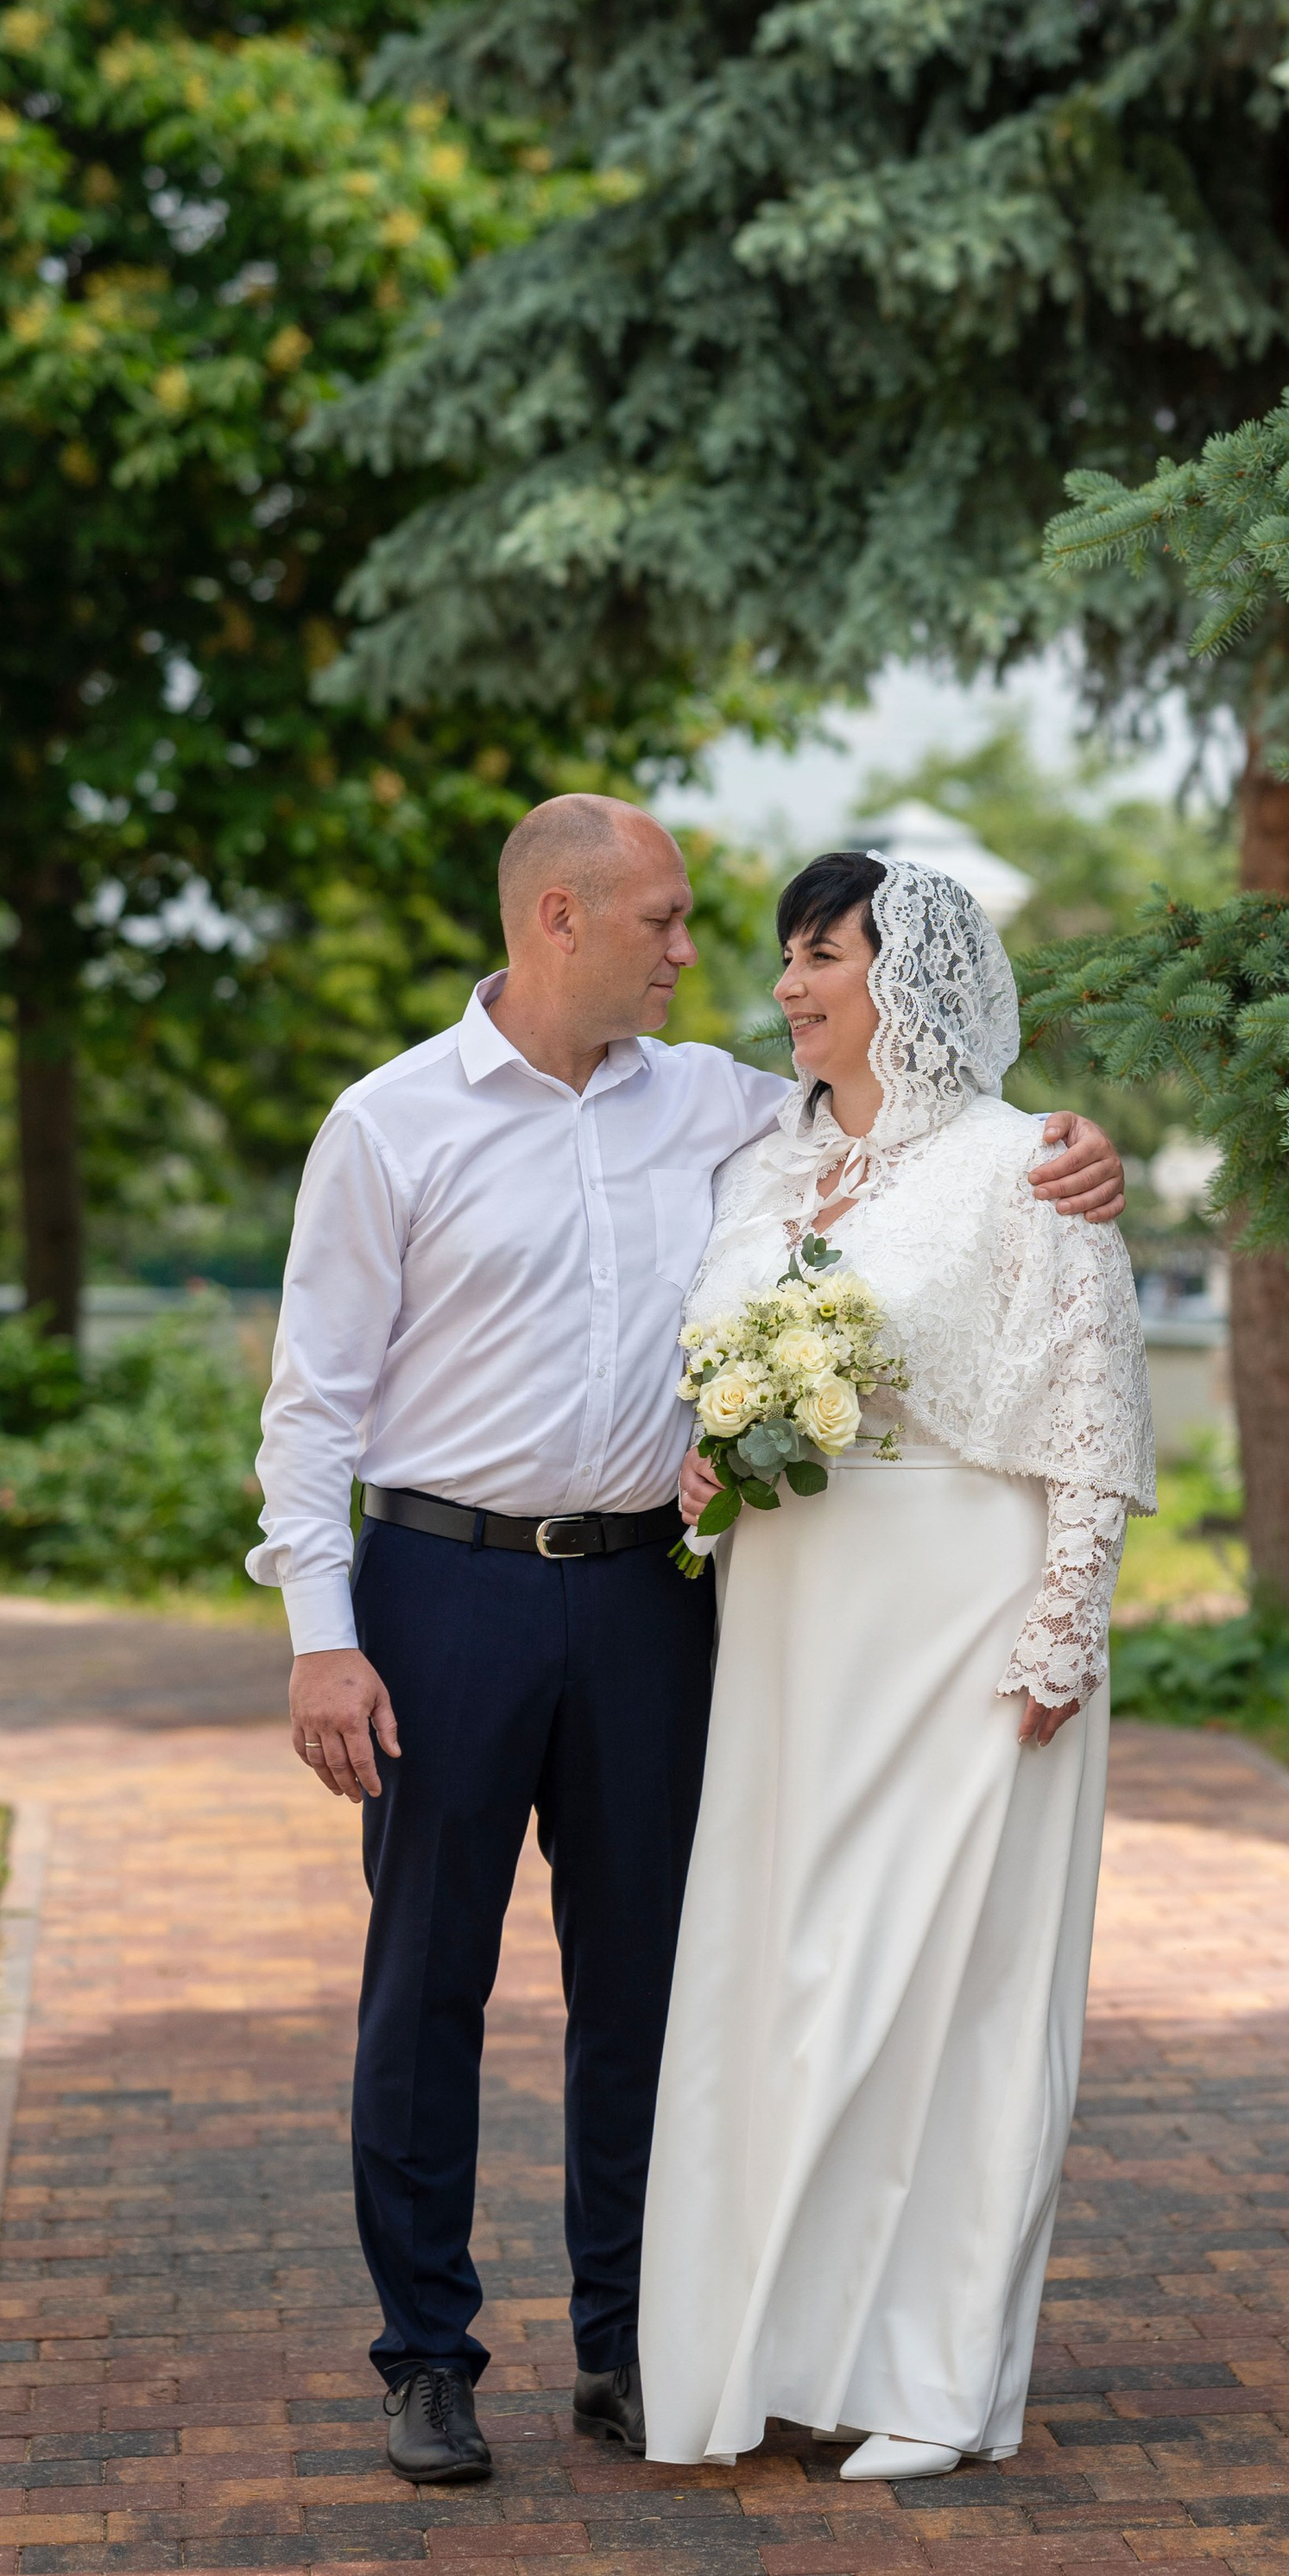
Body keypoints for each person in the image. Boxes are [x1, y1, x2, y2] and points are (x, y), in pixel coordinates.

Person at [244, 795, 1127, 2489]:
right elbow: (312, 1401)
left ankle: (629, 2346)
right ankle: (426, 2355)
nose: (689, 952)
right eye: (659, 920)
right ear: (557, 919)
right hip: (442, 1587)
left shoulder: (724, 1105)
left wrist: (1085, 1151)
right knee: (426, 1980)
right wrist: (319, 1633)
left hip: (654, 1592)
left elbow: (920, 1123)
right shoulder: (388, 1123)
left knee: (651, 1982)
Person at [640, 851, 1156, 2478]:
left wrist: (1064, 1622)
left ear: (906, 977)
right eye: (786, 958)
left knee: (953, 1985)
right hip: (792, 1620)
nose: (788, 986)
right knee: (788, 1979)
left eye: (822, 955)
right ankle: (779, 2353)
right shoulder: (763, 1164)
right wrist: (709, 1457)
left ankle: (934, 2381)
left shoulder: (1029, 1164)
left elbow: (1092, 1409)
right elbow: (717, 1370)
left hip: (964, 1609)